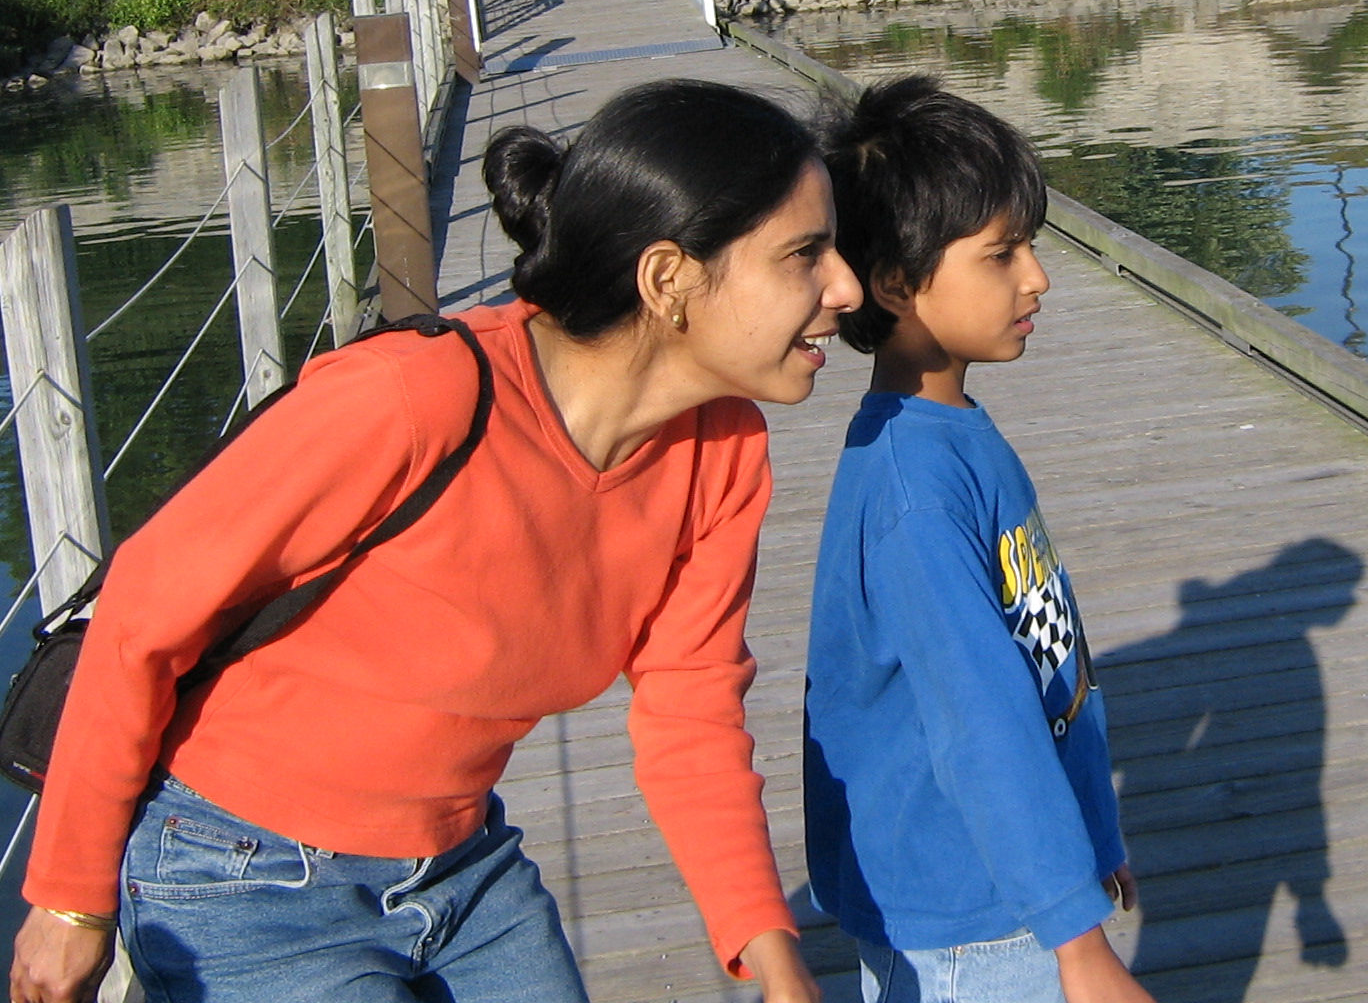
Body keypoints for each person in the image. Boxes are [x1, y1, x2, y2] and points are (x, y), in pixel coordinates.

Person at [10, 79, 861, 1003]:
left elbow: (690, 710)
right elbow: (143, 608)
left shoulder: (722, 452)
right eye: (804, 255)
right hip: (243, 869)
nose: (845, 287)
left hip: (460, 866)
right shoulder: (414, 400)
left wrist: (770, 947)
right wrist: (68, 905)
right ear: (667, 280)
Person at [804, 77, 1151, 1003]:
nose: (1036, 276)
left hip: (1011, 898)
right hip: (971, 927)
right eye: (1002, 255)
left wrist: (1094, 839)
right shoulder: (915, 492)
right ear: (894, 283)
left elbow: (1045, 653)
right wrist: (1079, 944)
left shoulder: (953, 430)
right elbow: (980, 721)